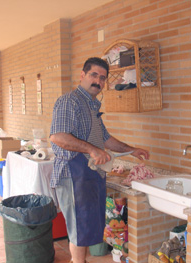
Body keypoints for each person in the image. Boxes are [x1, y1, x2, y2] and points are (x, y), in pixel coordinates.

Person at [49, 57, 149, 263]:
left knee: (85, 226)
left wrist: (132, 150)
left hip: (88, 174)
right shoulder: (70, 101)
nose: (98, 81)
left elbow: (105, 139)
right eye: (94, 75)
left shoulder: (92, 106)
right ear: (82, 75)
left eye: (102, 78)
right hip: (72, 174)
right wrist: (92, 150)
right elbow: (58, 137)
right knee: (78, 227)